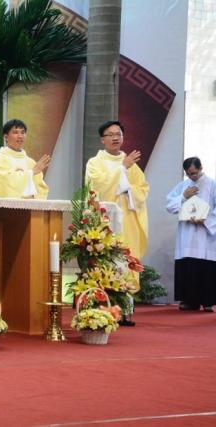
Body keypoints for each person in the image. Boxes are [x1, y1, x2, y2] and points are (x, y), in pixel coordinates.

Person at [86, 120, 149, 326]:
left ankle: (124, 312)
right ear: (102, 139)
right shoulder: (95, 162)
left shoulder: (131, 163)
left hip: (127, 220)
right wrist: (122, 169)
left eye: (119, 134)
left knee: (126, 262)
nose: (115, 138)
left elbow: (142, 189)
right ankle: (102, 311)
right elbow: (96, 186)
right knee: (107, 263)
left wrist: (129, 189)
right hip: (107, 222)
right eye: (111, 134)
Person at [166, 157, 216, 311]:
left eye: (194, 173)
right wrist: (183, 196)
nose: (192, 177)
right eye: (188, 174)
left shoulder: (212, 184)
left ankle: (208, 302)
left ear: (201, 167)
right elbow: (169, 205)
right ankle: (189, 301)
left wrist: (206, 219)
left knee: (206, 268)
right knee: (188, 268)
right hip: (187, 234)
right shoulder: (184, 185)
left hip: (205, 234)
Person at [0, 119, 50, 199]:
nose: (20, 136)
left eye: (23, 132)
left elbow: (41, 189)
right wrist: (31, 172)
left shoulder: (30, 162)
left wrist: (35, 198)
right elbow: (5, 183)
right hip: (6, 209)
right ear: (6, 137)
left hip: (31, 208)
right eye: (15, 132)